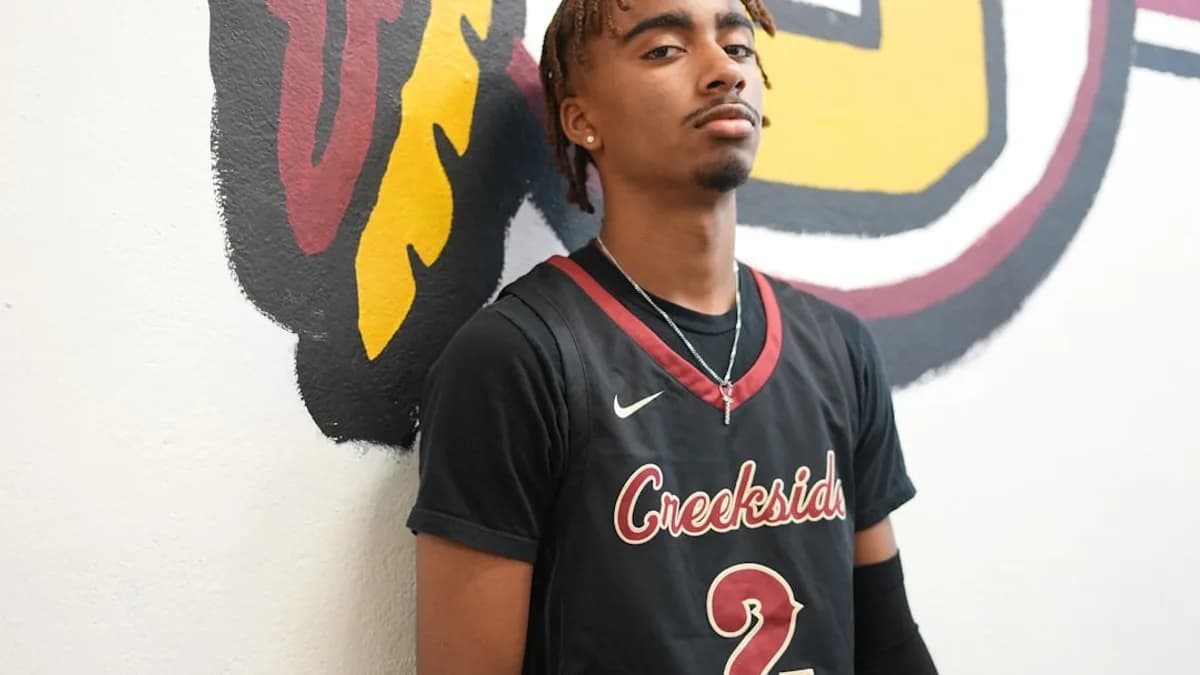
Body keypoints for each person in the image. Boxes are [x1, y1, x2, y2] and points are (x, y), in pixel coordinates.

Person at [406, 0, 938, 672]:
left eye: (739, 47)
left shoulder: (838, 349)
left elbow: (888, 643)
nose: (724, 71)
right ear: (581, 119)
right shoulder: (517, 359)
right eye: (664, 50)